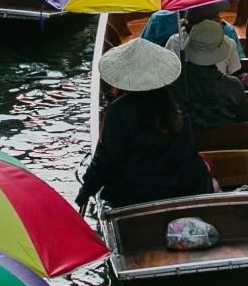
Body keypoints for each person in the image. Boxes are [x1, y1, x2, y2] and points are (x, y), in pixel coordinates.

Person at [76, 38, 214, 209]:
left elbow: (105, 161)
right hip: (183, 186)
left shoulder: (118, 110)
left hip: (135, 194)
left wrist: (85, 192)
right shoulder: (174, 100)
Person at [167, 18, 248, 131]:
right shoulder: (233, 86)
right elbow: (247, 117)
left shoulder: (174, 84)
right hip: (225, 140)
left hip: (186, 140)